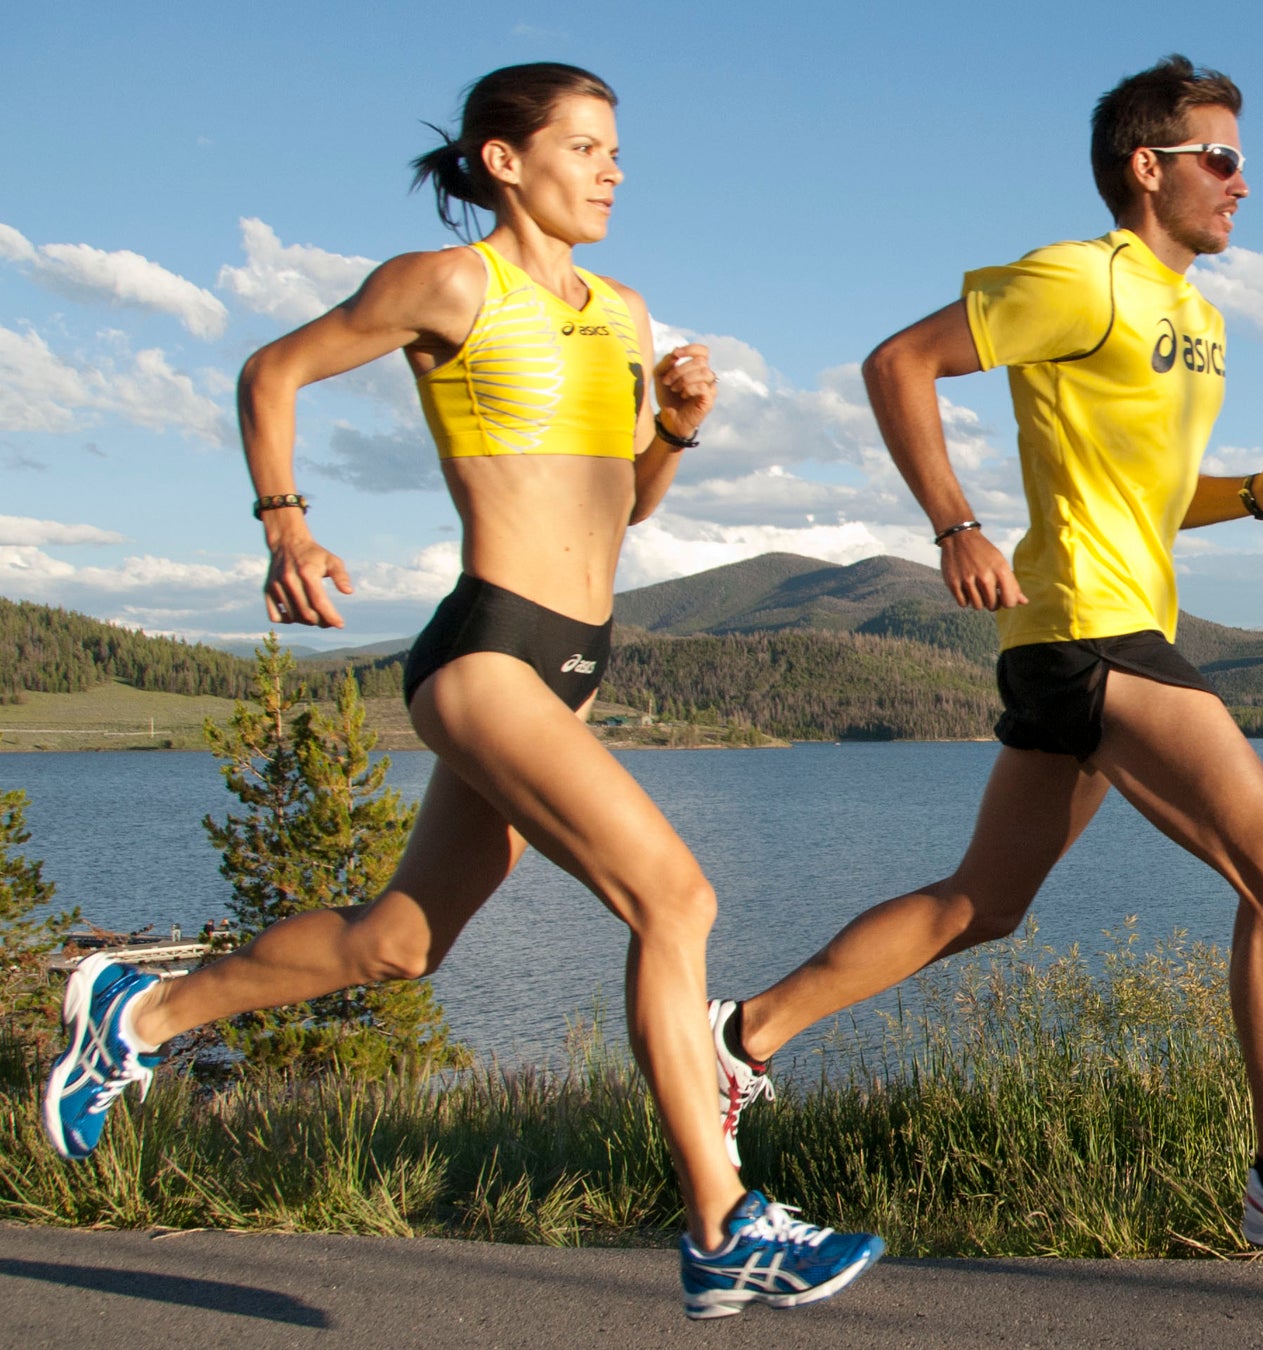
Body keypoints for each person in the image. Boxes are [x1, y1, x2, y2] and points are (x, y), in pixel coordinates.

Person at [38, 63, 882, 1319]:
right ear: (504, 159)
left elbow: (622, 507)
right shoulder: (451, 285)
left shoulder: (626, 309)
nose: (612, 169)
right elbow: (271, 372)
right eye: (587, 147)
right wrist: (285, 523)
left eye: (616, 150)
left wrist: (678, 429)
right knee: (676, 898)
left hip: (577, 662)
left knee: (401, 945)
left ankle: (142, 1013)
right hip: (485, 653)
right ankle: (724, 1223)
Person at [705, 54, 1263, 1261]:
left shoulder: (1194, 318)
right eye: (1224, 159)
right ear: (1149, 168)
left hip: (1093, 629)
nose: (1244, 185)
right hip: (1090, 626)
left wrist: (1253, 493)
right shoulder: (1078, 278)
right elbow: (898, 364)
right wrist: (952, 522)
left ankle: (738, 1038)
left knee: (982, 905)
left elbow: (1144, 490)